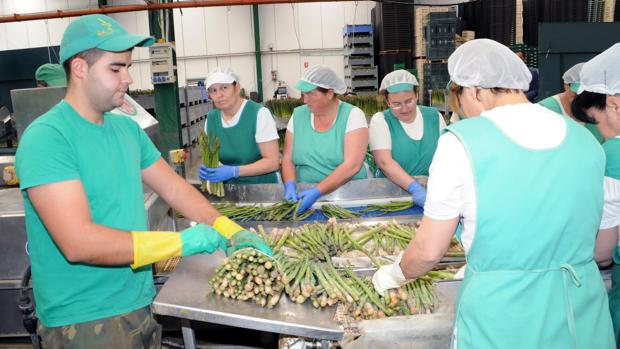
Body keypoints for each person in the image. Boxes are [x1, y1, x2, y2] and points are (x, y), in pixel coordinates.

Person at [14, 14, 271, 348]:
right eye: (116, 69)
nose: (128, 78)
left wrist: (228, 228)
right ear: (79, 68)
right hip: (85, 319)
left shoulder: (125, 130)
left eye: (129, 67)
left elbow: (174, 188)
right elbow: (78, 242)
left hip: (140, 300)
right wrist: (180, 244)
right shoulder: (48, 138)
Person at [371, 38, 614, 348]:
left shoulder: (461, 141)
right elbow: (596, 240)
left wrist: (394, 274)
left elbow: (429, 250)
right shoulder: (586, 141)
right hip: (579, 310)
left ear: (475, 90)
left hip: (503, 312)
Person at [572, 43, 620, 344]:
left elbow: (602, 252)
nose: (601, 132)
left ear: (614, 105)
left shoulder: (613, 153)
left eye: (598, 121)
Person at [281, 65, 368, 213]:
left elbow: (352, 165)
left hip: (350, 196)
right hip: (304, 194)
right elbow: (288, 159)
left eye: (310, 94)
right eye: (303, 94)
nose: (305, 100)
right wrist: (290, 184)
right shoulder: (298, 116)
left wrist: (317, 191)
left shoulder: (352, 115)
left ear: (329, 93)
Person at [368, 70, 445, 207]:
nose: (404, 109)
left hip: (432, 193)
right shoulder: (381, 121)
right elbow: (385, 162)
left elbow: (446, 157)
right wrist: (415, 187)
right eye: (396, 104)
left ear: (416, 95)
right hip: (390, 196)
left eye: (408, 101)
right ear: (387, 102)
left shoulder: (434, 117)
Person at [199, 67, 280, 184]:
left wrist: (234, 171)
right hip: (229, 191)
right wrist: (208, 170)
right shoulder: (211, 119)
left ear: (236, 87)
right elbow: (213, 158)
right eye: (213, 91)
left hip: (263, 190)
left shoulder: (259, 114)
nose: (219, 95)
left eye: (224, 88)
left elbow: (272, 162)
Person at [539, 62, 604, 143]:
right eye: (578, 93)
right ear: (566, 85)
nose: (582, 98)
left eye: (588, 94)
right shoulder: (545, 110)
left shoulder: (601, 110)